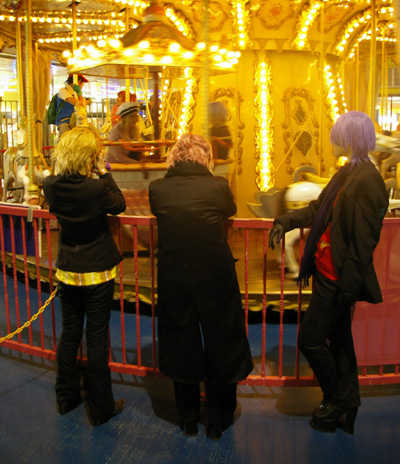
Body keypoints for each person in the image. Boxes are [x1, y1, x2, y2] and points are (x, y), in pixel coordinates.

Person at [268, 111, 388, 435]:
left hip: (337, 279)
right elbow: (317, 209)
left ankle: (338, 399)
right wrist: (285, 221)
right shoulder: (346, 173)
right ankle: (346, 403)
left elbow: (363, 241)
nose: (332, 143)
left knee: (309, 340)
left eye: (337, 137)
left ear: (350, 139)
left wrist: (349, 285)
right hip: (326, 272)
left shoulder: (368, 181)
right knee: (340, 343)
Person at [149, 133, 253, 440]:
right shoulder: (217, 186)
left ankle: (188, 417)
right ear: (205, 158)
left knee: (180, 340)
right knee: (222, 339)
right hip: (214, 275)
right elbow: (229, 211)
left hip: (175, 276)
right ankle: (218, 418)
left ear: (174, 158)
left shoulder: (158, 189)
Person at [43, 126, 126, 426]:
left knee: (69, 334)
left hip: (68, 269)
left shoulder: (51, 185)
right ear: (88, 157)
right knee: (97, 339)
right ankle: (100, 407)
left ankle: (66, 398)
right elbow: (119, 204)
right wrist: (104, 172)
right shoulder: (96, 188)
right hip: (97, 271)